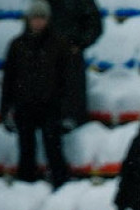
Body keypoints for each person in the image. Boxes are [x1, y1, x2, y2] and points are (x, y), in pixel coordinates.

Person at [1, 0, 72, 188]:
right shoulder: (17, 45)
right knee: (26, 149)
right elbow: (8, 79)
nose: (38, 22)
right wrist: (5, 107)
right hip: (25, 104)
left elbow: (66, 79)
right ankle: (26, 184)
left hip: (51, 104)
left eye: (42, 18)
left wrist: (65, 107)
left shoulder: (59, 44)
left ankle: (60, 183)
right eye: (35, 18)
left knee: (53, 148)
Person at [46, 0, 101, 129]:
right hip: (47, 58)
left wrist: (80, 44)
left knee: (73, 105)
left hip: (72, 58)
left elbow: (95, 26)